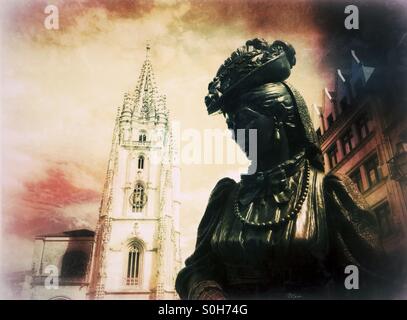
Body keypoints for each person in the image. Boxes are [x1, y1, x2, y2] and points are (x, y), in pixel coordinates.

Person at [175, 38, 396, 299]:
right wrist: (207, 292)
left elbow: (374, 285)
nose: (235, 134)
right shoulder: (226, 198)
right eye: (231, 125)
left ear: (279, 119)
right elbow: (197, 269)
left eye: (245, 121)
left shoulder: (328, 192)